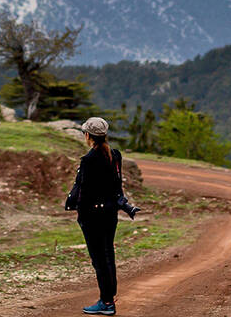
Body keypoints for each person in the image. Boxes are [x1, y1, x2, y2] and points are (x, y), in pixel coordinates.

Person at [65, 117, 139, 316]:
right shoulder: (115, 155)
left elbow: (85, 192)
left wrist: (81, 215)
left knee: (99, 259)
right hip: (110, 214)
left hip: (93, 216)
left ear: (88, 135)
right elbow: (116, 186)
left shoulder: (88, 160)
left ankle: (106, 302)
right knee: (108, 255)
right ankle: (109, 298)